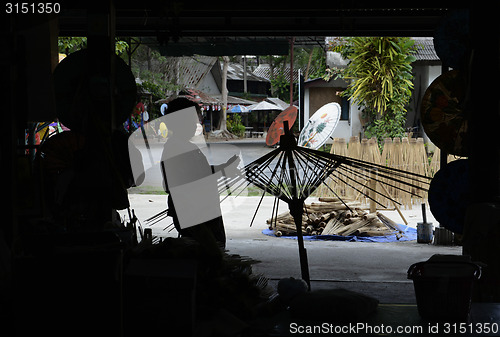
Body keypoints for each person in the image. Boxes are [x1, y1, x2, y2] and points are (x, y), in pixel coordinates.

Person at [160, 98, 239, 252]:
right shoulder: (176, 149)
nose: (196, 124)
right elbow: (191, 181)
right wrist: (223, 170)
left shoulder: (186, 146)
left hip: (201, 213)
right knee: (207, 255)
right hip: (194, 216)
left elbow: (201, 172)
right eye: (192, 120)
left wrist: (224, 168)